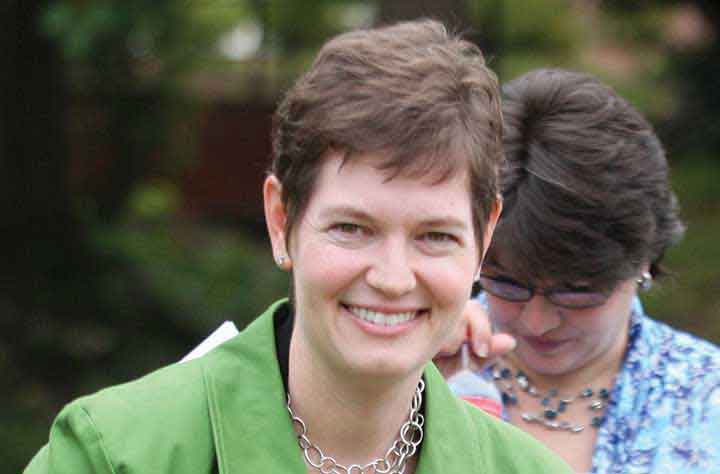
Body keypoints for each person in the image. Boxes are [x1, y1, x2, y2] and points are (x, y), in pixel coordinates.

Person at [24, 22, 572, 474]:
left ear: (484, 238)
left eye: (435, 236)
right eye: (352, 228)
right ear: (281, 220)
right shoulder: (111, 456)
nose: (393, 278)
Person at [436, 68, 720, 473]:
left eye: (576, 291)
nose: (538, 322)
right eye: (508, 285)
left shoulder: (706, 399)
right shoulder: (423, 371)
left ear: (641, 260)